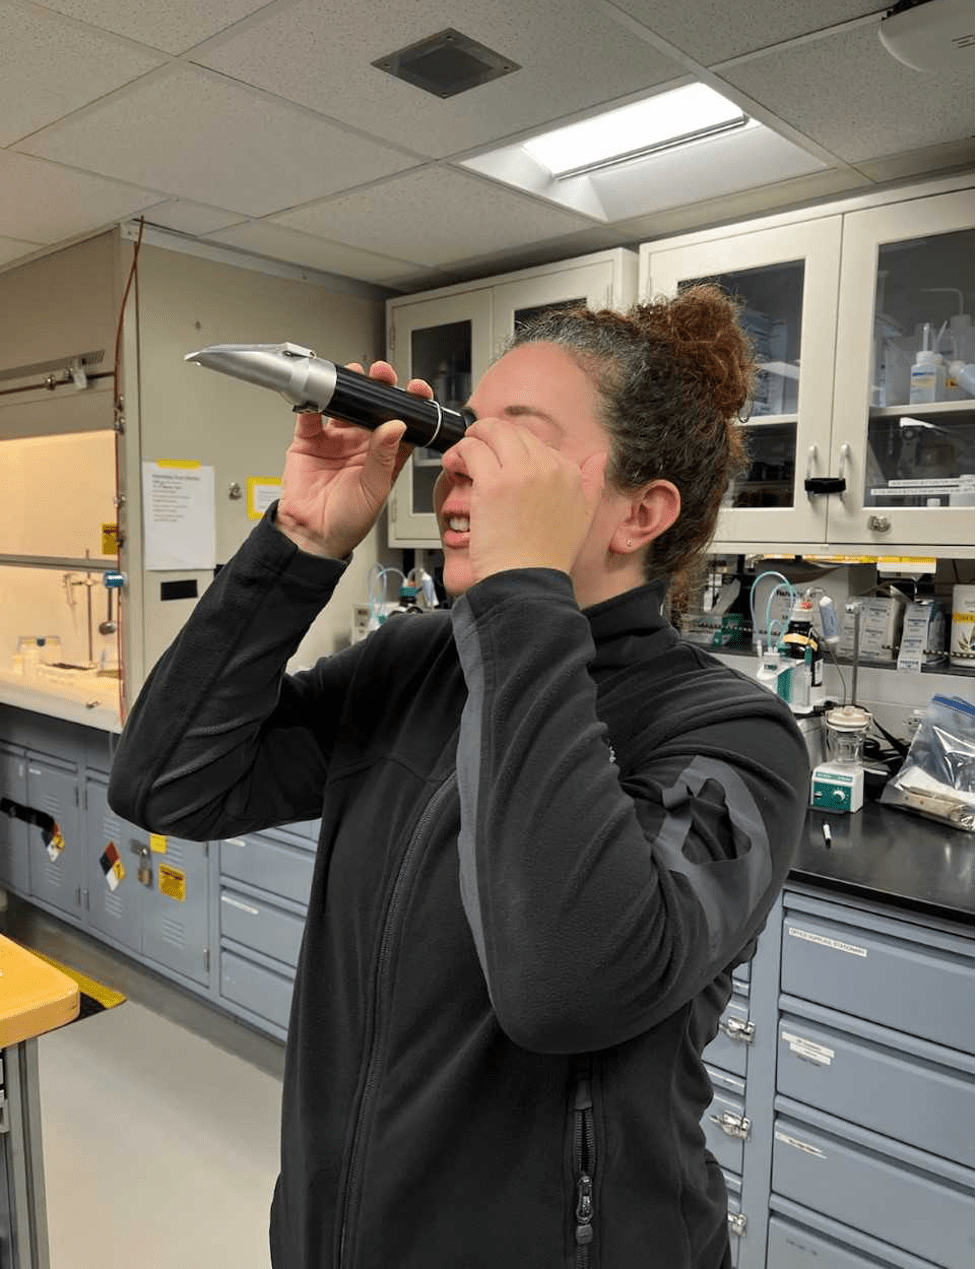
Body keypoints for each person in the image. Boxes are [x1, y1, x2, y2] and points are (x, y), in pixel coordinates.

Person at [108, 284, 809, 1269]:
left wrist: (524, 594)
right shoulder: (414, 663)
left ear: (641, 512)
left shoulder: (731, 736)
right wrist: (298, 541)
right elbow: (167, 782)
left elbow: (563, 984)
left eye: (512, 441)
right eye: (463, 431)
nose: (457, 464)